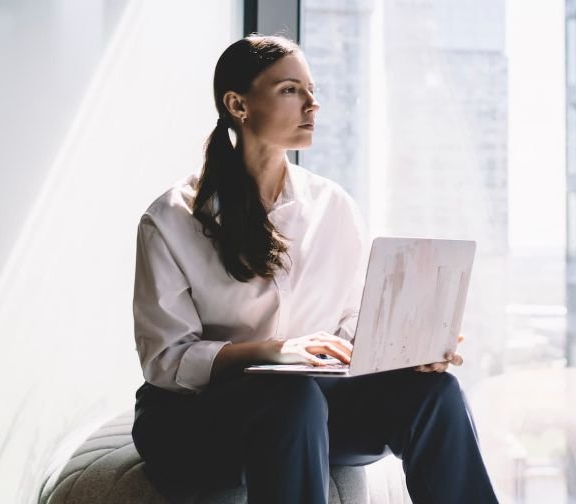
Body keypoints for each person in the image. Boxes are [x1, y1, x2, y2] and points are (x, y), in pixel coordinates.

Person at [129, 34, 498, 503]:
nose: (313, 103)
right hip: (195, 421)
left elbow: (350, 330)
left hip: (312, 409)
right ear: (237, 104)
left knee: (435, 392)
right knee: (292, 398)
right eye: (290, 90)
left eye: (311, 89)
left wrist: (406, 352)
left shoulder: (333, 206)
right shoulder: (171, 219)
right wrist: (273, 352)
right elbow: (166, 360)